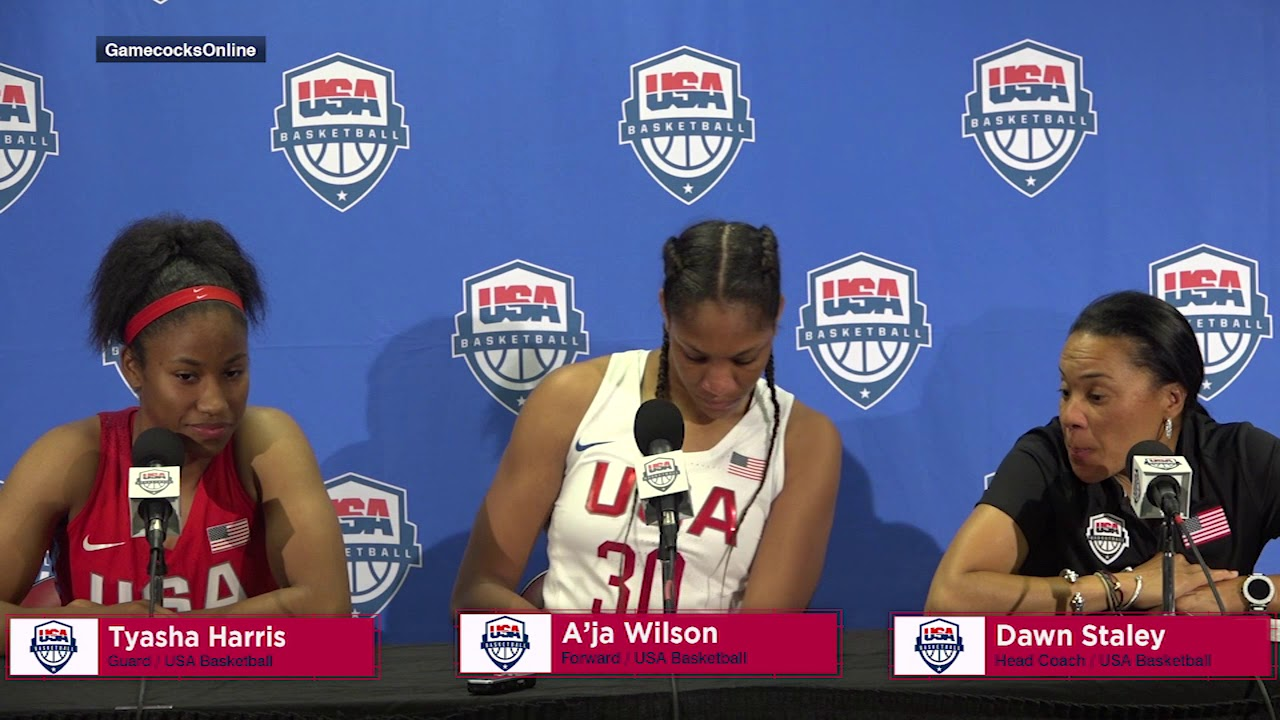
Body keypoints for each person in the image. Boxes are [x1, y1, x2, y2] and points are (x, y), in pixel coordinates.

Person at [451, 220, 842, 613]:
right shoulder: (572, 398)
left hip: (715, 676)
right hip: (566, 672)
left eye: (745, 358)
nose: (719, 384)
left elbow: (765, 635)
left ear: (778, 316)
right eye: (694, 355)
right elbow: (478, 591)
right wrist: (576, 653)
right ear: (665, 312)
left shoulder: (803, 439)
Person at [0, 215, 351, 652]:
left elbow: (327, 606)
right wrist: (80, 628)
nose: (215, 402)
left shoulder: (265, 440)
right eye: (187, 376)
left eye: (233, 373)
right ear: (133, 367)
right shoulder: (71, 455)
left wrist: (143, 638)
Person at [926, 290, 1278, 615]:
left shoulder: (1243, 458)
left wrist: (1242, 595)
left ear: (1171, 399)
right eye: (1066, 392)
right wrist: (1125, 586)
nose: (1070, 417)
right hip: (1069, 679)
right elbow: (949, 597)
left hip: (1212, 679)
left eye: (1096, 396)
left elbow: (1244, 595)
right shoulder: (1045, 457)